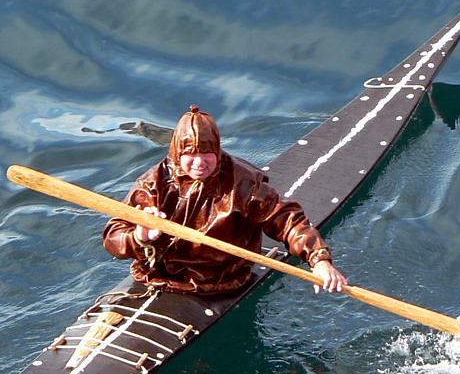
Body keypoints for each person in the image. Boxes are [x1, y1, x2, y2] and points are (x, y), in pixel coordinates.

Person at [103, 105, 347, 296]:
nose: (199, 163)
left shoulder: (242, 183)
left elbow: (286, 220)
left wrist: (319, 259)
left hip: (221, 282)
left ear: (217, 151)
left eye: (206, 154)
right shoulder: (152, 183)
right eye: (190, 154)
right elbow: (114, 235)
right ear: (177, 153)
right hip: (154, 275)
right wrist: (138, 237)